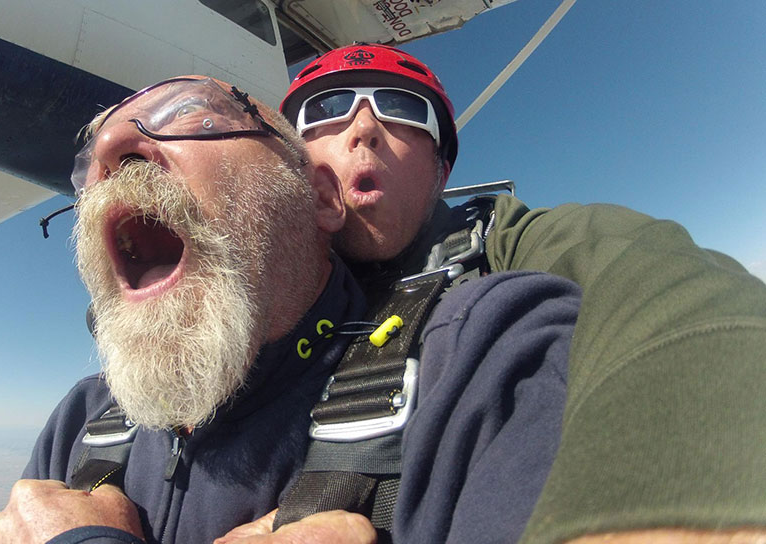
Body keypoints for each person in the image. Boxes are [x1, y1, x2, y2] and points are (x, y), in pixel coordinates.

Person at [0, 76, 584, 543]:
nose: (109, 152)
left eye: (192, 114)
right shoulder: (85, 423)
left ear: (320, 197)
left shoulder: (482, 362)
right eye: (89, 155)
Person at [280, 44, 766, 543]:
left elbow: (658, 280)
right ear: (295, 162)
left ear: (440, 172)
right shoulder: (254, 294)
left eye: (401, 108)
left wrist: (683, 510)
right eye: (326, 108)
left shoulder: (507, 243)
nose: (364, 128)